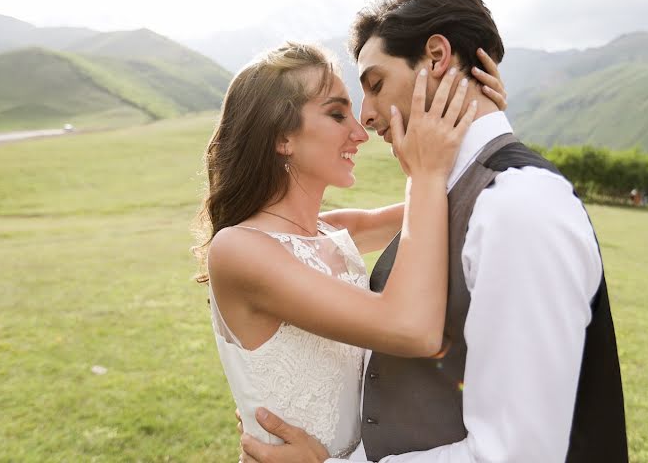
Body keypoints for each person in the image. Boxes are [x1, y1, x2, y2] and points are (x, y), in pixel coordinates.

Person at [240, 0, 628, 463]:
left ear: (438, 58)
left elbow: (517, 454)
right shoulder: (453, 193)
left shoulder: (520, 206)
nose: (369, 119)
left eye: (376, 86)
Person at [194, 40, 506, 458]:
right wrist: (424, 173)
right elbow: (410, 328)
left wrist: (482, 123)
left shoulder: (335, 231)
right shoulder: (239, 250)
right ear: (282, 136)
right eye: (337, 114)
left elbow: (453, 198)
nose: (360, 133)